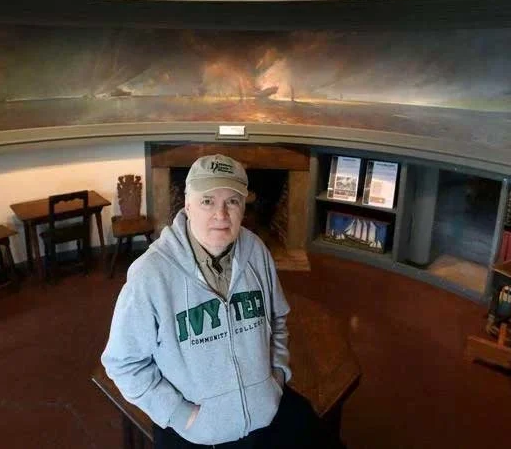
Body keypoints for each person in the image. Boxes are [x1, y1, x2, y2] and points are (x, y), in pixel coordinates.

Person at [101, 154, 343, 448]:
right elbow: (123, 364)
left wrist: (277, 375)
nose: (222, 215)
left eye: (232, 201)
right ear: (187, 205)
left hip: (265, 408)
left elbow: (278, 319)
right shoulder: (150, 275)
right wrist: (179, 414)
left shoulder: (256, 251)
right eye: (208, 201)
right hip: (197, 429)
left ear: (244, 207)